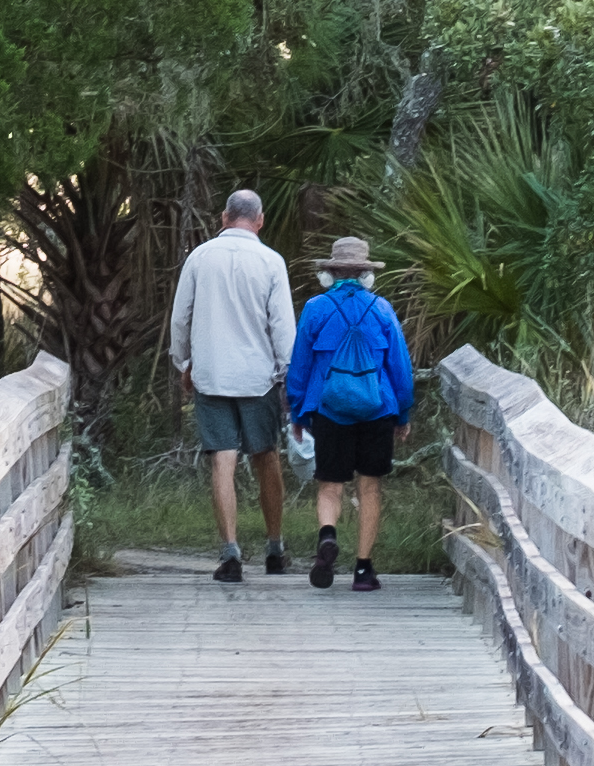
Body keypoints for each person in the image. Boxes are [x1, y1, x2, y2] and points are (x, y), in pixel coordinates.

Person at [166, 188, 299, 583]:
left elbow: (180, 317)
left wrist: (184, 362)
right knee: (266, 457)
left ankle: (230, 554)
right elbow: (282, 326)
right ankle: (275, 548)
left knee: (222, 460)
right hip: (258, 378)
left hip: (212, 375)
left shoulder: (200, 258)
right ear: (260, 221)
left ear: (224, 217)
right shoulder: (272, 262)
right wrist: (287, 374)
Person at [285, 237, 416, 594]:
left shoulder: (315, 309)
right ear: (365, 274)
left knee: (330, 485)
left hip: (329, 410)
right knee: (369, 486)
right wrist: (403, 413)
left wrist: (297, 410)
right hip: (378, 409)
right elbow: (400, 368)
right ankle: (362, 570)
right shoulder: (382, 309)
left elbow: (299, 366)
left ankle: (328, 537)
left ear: (330, 272)